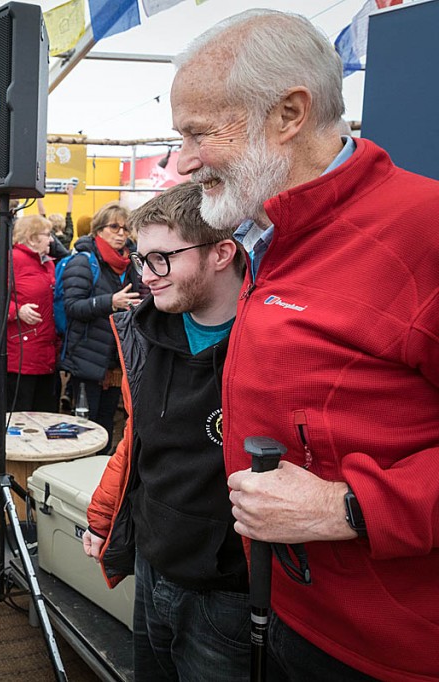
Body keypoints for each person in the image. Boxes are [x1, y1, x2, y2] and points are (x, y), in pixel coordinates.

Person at [171, 10, 439, 681]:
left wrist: (350, 506)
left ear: (290, 113)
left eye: (200, 132)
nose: (182, 160)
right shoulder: (267, 232)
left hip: (392, 650)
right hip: (285, 614)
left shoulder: (421, 232)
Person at [83, 182, 249, 681]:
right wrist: (105, 517)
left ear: (222, 252)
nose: (146, 277)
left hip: (228, 592)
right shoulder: (146, 332)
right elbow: (139, 440)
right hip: (153, 564)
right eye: (139, 259)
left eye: (162, 259)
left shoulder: (266, 344)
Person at [59, 201, 143, 455]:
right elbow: (72, 306)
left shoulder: (131, 262)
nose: (121, 233)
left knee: (108, 422)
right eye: (114, 227)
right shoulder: (84, 262)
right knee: (84, 425)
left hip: (117, 357)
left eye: (125, 228)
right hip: (88, 358)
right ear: (99, 229)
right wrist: (110, 302)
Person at [0, 214, 59, 413]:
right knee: (19, 418)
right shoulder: (12, 260)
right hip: (20, 356)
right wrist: (16, 310)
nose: (51, 240)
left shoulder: (47, 263)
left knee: (43, 415)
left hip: (44, 351)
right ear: (31, 238)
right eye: (47, 234)